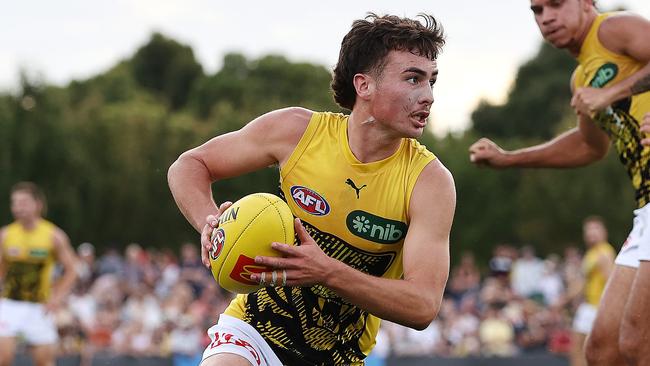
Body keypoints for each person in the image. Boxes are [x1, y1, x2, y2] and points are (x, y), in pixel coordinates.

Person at [168, 13, 455, 366]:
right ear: (363, 85)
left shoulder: (430, 182)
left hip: (339, 358)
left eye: (431, 81)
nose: (427, 96)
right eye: (413, 79)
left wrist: (327, 272)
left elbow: (423, 305)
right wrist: (209, 222)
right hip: (253, 331)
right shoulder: (296, 132)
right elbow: (189, 166)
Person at [468, 1, 650, 364]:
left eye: (556, 4)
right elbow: (588, 145)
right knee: (603, 350)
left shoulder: (614, 28)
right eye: (537, 10)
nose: (546, 17)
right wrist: (510, 158)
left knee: (636, 343)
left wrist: (610, 94)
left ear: (586, 4)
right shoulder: (581, 78)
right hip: (644, 209)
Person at [0, 182, 78, 366]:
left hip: (40, 307)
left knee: (45, 362)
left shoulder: (53, 236)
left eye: (24, 202)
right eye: (15, 203)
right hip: (10, 304)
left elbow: (72, 270)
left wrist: (57, 298)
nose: (18, 208)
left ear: (38, 204)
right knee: (3, 358)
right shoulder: (5, 235)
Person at [564, 216, 614, 366]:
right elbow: (583, 284)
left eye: (595, 229)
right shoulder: (591, 253)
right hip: (590, 306)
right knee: (579, 348)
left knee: (581, 348)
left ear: (604, 232)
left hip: (598, 309)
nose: (591, 233)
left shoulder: (604, 253)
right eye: (588, 230)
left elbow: (611, 281)